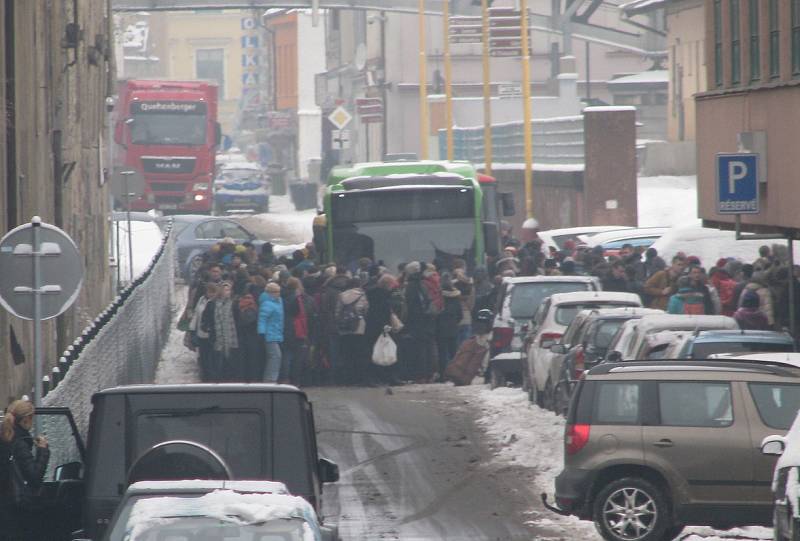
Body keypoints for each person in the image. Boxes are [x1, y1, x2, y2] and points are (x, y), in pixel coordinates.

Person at [0, 400, 50, 540]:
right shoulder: (20, 443)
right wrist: (43, 451)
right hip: (16, 508)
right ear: (27, 419)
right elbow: (34, 477)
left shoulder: (4, 439)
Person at [336, 277, 370, 385]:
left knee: (346, 354)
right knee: (359, 353)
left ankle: (348, 379)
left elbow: (337, 312)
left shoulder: (341, 295)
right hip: (359, 327)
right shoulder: (362, 295)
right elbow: (365, 310)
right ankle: (359, 378)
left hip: (344, 328)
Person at [258, 282, 284, 383]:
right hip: (269, 334)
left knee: (274, 356)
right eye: (276, 292)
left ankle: (271, 378)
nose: (278, 294)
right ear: (270, 293)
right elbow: (262, 319)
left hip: (276, 332)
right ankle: (270, 379)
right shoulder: (267, 303)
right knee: (275, 356)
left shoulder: (278, 301)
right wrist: (261, 332)